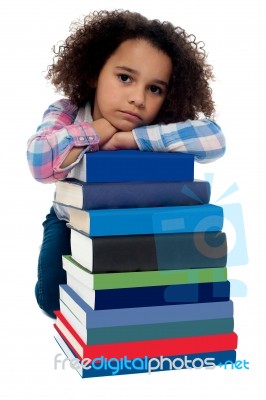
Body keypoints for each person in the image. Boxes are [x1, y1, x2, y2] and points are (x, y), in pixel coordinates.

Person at [27, 10, 226, 318]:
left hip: (136, 219)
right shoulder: (67, 111)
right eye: (125, 78)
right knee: (51, 295)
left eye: (155, 88)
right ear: (94, 73)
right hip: (71, 217)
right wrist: (97, 130)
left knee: (146, 290)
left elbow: (214, 140)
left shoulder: (157, 124)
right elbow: (40, 160)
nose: (138, 98)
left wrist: (132, 139)